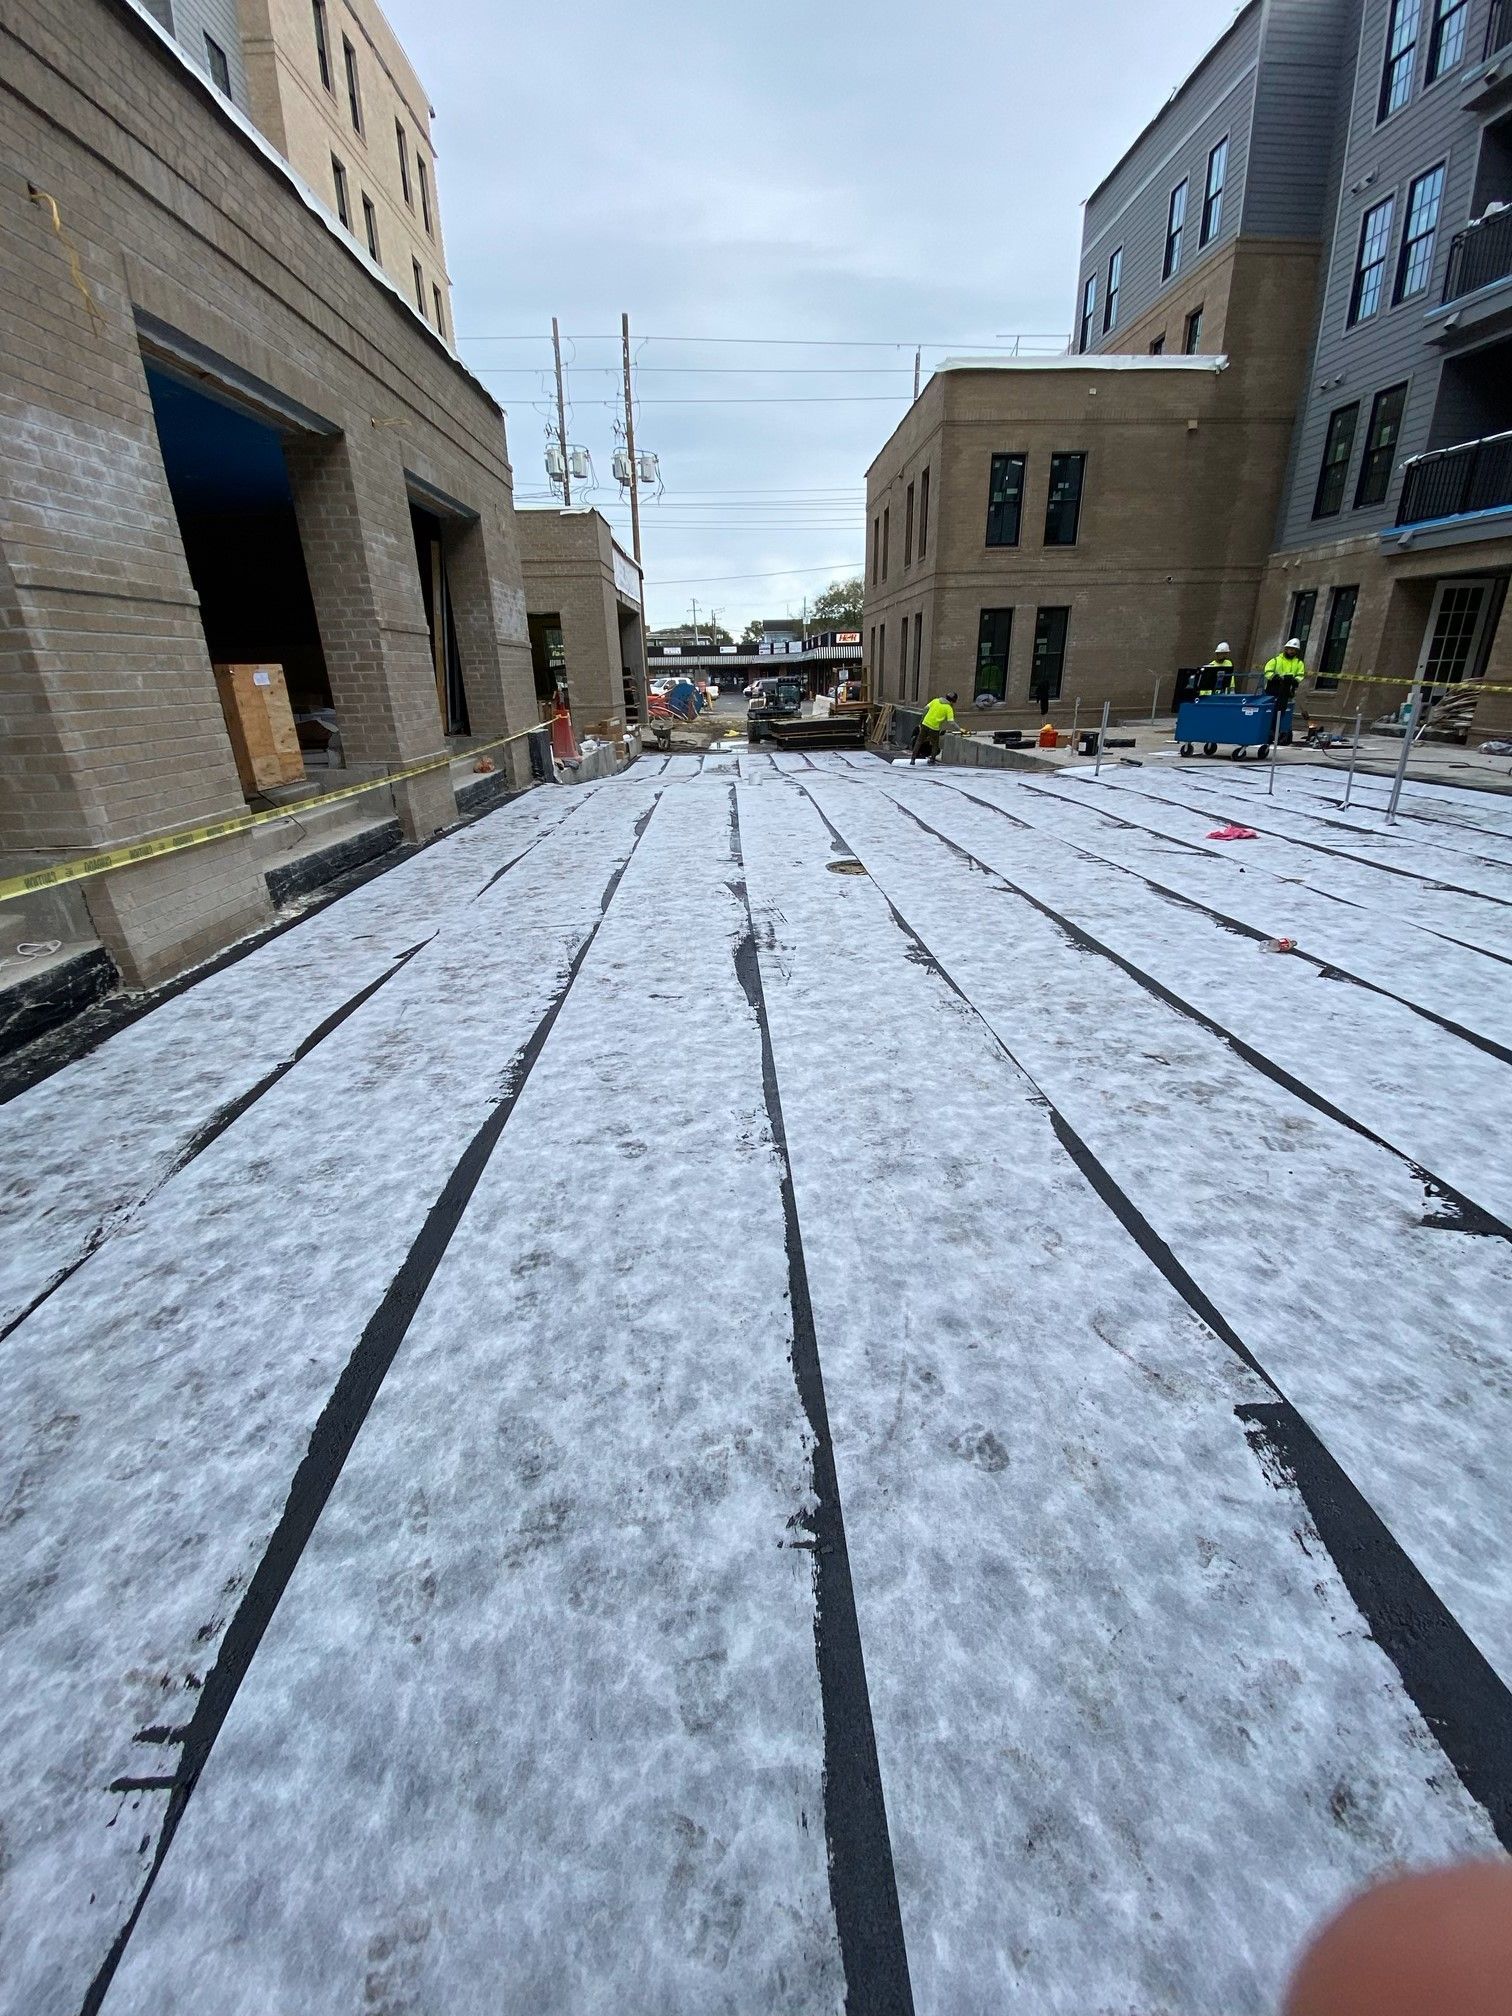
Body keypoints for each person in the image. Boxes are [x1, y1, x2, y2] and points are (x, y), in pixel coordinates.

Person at [1264, 637, 1308, 745]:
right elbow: (1267, 671)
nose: (1291, 651)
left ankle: (1282, 733)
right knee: (1272, 712)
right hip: (1273, 690)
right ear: (1286, 649)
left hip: (1287, 692)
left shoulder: (1299, 663)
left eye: (1293, 650)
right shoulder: (1275, 660)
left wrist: (1294, 681)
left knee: (1285, 713)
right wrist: (1275, 677)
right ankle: (1270, 732)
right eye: (1290, 649)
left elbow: (1300, 675)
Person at [912, 692, 958, 765]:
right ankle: (932, 760)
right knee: (935, 744)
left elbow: (925, 709)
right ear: (952, 701)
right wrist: (959, 729)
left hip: (925, 723)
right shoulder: (948, 708)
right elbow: (951, 722)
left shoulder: (935, 700)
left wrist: (922, 722)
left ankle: (913, 759)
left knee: (919, 741)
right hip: (934, 728)